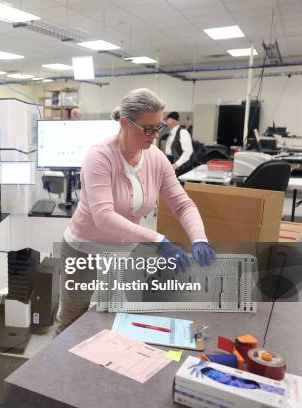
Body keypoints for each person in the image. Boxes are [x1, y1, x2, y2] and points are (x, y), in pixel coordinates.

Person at [56, 88, 216, 334]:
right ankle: (61, 370)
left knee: (120, 316)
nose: (154, 136)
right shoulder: (99, 156)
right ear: (124, 123)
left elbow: (182, 204)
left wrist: (199, 238)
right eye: (147, 128)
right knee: (72, 320)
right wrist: (157, 239)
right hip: (84, 248)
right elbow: (103, 217)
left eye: (158, 127)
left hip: (125, 248)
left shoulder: (156, 158)